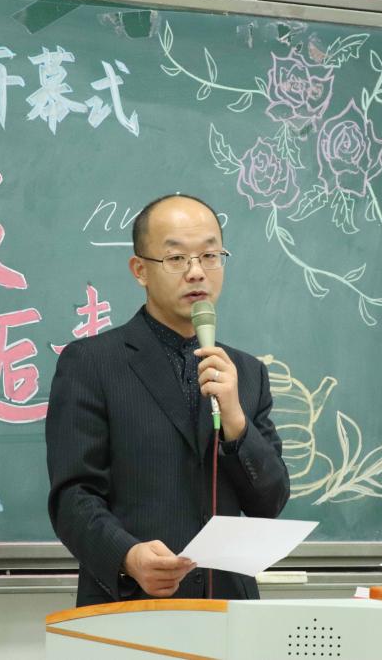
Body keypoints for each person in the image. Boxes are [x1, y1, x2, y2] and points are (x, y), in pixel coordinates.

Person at [46, 194, 290, 606]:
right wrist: (127, 556)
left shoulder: (246, 373)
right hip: (132, 607)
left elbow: (270, 502)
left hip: (229, 611)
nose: (197, 272)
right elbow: (72, 497)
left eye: (210, 256)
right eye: (177, 259)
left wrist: (235, 421)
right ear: (140, 270)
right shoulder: (91, 363)